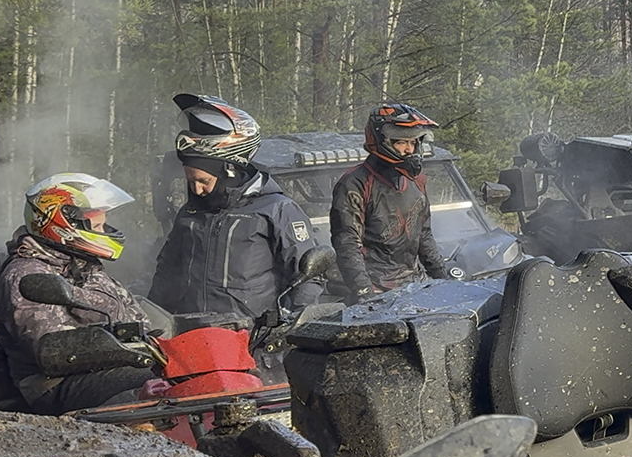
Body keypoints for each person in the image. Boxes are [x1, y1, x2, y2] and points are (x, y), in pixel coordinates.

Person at [149, 94, 320, 322]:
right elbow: (167, 274)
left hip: (252, 338)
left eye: (203, 181)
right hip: (191, 335)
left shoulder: (277, 211)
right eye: (190, 181)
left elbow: (307, 282)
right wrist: (153, 322)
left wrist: (287, 328)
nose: (197, 189)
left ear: (228, 172)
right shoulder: (190, 213)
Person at [0, 175, 154, 413]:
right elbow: (54, 351)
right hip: (53, 385)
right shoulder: (25, 275)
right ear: (62, 223)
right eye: (97, 227)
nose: (104, 231)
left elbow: (136, 318)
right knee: (157, 382)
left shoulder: (85, 265)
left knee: (184, 372)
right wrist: (126, 351)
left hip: (109, 366)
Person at [332, 103, 459, 301]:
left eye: (413, 142)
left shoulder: (417, 182)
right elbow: (347, 244)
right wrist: (365, 294)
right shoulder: (355, 183)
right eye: (401, 142)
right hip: (376, 289)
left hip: (414, 284)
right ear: (382, 141)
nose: (409, 149)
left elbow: (424, 237)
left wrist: (445, 282)